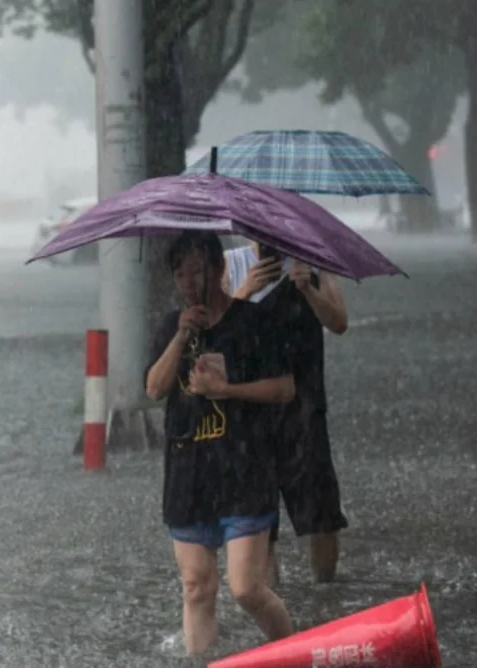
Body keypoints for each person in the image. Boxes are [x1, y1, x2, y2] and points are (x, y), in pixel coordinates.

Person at [146, 231, 296, 656]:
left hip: (244, 472)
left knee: (247, 588)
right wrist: (179, 338)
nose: (189, 283)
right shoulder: (170, 327)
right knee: (196, 586)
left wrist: (227, 390)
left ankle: (294, 655)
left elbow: (285, 388)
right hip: (189, 475)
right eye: (180, 275)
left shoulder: (254, 322)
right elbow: (154, 388)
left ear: (219, 268)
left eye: (197, 272)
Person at [228, 242, 350, 585]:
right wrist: (244, 291)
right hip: (250, 414)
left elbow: (339, 322)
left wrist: (307, 288)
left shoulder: (315, 259)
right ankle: (274, 606)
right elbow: (216, 337)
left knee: (322, 516)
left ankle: (324, 594)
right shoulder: (230, 263)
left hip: (305, 410)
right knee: (259, 526)